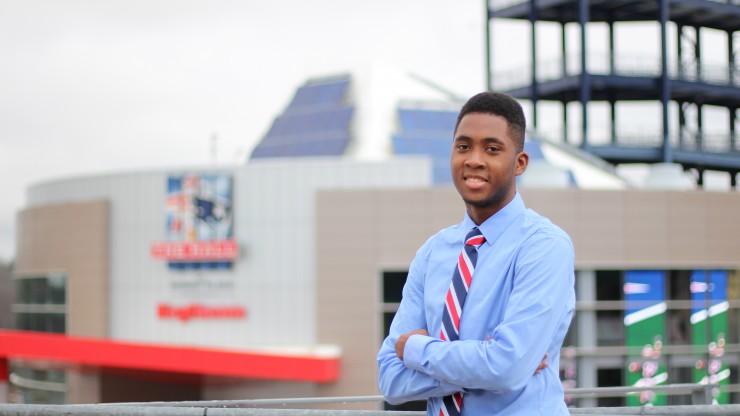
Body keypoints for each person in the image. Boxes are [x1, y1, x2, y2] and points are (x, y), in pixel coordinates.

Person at [377, 92, 575, 415]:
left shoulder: (545, 247)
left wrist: (414, 348)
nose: (474, 160)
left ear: (520, 162)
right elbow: (390, 377)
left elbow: (506, 367)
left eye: (492, 149)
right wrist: (483, 366)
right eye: (464, 146)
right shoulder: (432, 252)